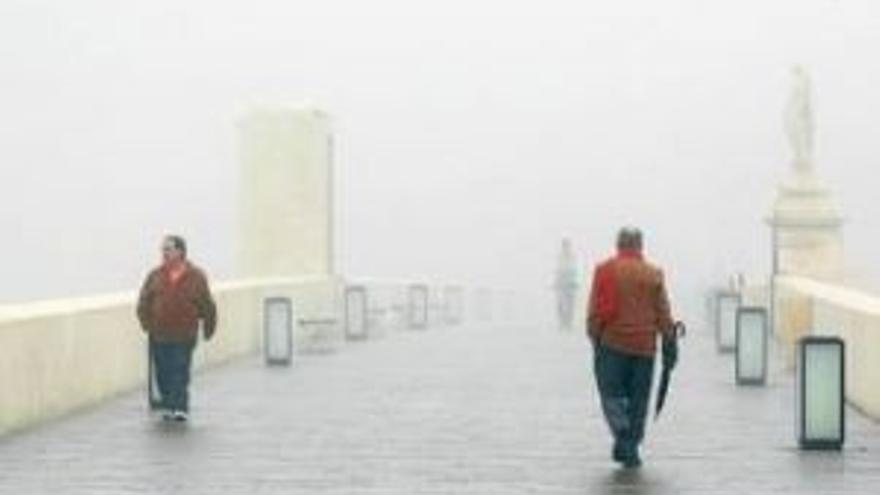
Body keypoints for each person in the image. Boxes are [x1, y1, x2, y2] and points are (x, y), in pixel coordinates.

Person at [586, 227, 675, 468]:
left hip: (612, 345)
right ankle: (631, 446)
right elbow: (663, 312)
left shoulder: (605, 270)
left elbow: (595, 308)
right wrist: (669, 338)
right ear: (640, 245)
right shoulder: (653, 274)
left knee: (611, 396)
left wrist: (594, 335)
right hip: (644, 348)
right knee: (639, 401)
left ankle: (623, 437)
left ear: (618, 244)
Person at [137, 235, 217, 422]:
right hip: (159, 334)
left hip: (184, 333)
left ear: (180, 251)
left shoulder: (196, 276)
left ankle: (180, 407)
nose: (164, 253)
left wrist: (208, 327)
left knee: (180, 370)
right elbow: (143, 302)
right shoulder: (155, 275)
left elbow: (207, 304)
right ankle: (168, 405)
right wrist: (147, 324)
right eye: (163, 249)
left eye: (168, 249)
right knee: (163, 372)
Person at [554, 238, 579, 330]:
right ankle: (562, 322)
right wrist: (557, 281)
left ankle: (568, 322)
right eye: (564, 246)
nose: (566, 248)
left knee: (570, 304)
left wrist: (574, 281)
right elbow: (558, 270)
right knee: (560, 304)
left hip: (570, 283)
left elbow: (575, 270)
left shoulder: (572, 256)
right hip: (562, 282)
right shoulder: (560, 256)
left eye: (567, 246)